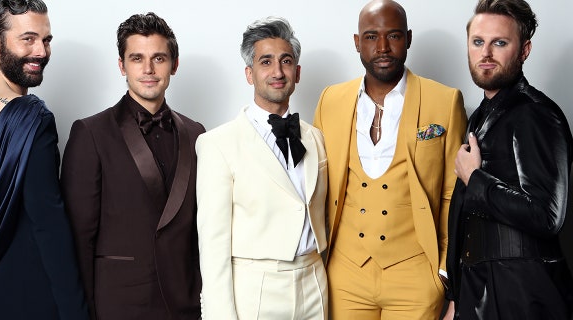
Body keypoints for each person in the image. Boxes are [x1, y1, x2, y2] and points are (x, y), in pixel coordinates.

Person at [313, 0, 467, 318]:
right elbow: (315, 188)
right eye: (371, 36)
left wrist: (444, 273)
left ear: (408, 39)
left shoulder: (445, 100)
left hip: (416, 274)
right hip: (345, 274)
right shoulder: (330, 101)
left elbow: (455, 196)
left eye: (393, 36)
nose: (382, 47)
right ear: (357, 42)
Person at [60, 12, 204, 320]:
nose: (148, 69)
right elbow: (77, 238)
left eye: (159, 58)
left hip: (186, 306)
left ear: (174, 65)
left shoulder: (197, 134)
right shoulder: (90, 133)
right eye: (137, 58)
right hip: (118, 306)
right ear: (122, 65)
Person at [0, 1, 89, 319]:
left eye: (46, 40)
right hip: (29, 297)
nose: (41, 51)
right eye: (28, 39)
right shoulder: (30, 117)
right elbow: (48, 228)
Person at [444, 0, 573, 319]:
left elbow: (547, 215)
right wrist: (456, 297)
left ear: (524, 50)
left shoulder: (536, 113)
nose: (485, 53)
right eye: (478, 42)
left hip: (523, 295)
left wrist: (476, 179)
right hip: (479, 291)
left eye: (499, 42)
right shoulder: (480, 117)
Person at [195, 16, 328, 320]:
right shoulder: (217, 143)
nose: (278, 72)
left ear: (297, 71)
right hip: (255, 290)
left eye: (286, 61)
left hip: (314, 283)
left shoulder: (315, 137)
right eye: (265, 62)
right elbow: (213, 247)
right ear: (249, 73)